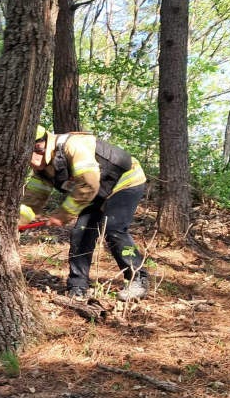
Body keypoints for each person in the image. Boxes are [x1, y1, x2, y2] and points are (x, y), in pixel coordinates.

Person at [19, 125, 150, 301]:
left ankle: (138, 279)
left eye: (27, 155)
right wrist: (17, 223)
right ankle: (77, 286)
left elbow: (88, 184)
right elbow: (32, 200)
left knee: (113, 228)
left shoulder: (73, 146)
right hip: (97, 191)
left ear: (39, 146)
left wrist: (63, 215)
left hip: (125, 181)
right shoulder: (42, 169)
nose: (28, 163)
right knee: (81, 233)